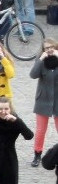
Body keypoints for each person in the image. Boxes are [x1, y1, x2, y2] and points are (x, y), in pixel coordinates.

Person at [28, 39, 58, 167]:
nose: (49, 49)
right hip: (43, 99)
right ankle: (37, 154)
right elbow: (33, 75)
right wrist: (40, 60)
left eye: (51, 47)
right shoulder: (41, 60)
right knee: (41, 130)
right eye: (46, 48)